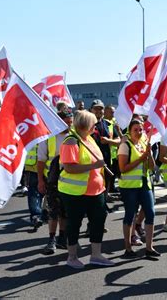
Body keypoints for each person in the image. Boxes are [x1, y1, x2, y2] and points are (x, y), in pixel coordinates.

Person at [58, 110, 114, 269]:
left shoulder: (88, 139)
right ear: (85, 124)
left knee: (98, 222)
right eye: (93, 124)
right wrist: (93, 166)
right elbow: (69, 168)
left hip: (96, 191)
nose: (96, 127)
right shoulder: (71, 141)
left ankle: (96, 255)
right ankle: (72, 257)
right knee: (74, 224)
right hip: (75, 193)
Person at [118, 119, 160, 258]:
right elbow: (123, 169)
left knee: (151, 213)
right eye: (135, 129)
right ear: (129, 131)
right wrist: (141, 158)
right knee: (130, 215)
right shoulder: (125, 146)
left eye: (141, 129)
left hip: (145, 184)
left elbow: (150, 166)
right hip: (129, 187)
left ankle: (149, 247)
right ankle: (128, 248)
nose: (139, 132)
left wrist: (149, 156)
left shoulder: (143, 143)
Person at [38, 110, 73, 254]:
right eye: (67, 122)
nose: (70, 125)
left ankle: (62, 238)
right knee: (53, 211)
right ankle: (51, 240)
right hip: (52, 181)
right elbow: (40, 161)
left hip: (71, 181)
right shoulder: (48, 137)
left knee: (65, 212)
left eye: (71, 122)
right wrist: (40, 181)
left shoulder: (74, 136)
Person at [90, 99, 120, 206]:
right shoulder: (86, 124)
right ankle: (94, 206)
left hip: (106, 160)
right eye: (96, 109)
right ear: (91, 110)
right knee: (93, 184)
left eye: (101, 109)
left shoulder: (108, 124)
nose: (98, 111)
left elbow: (118, 141)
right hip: (91, 161)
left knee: (106, 183)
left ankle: (103, 204)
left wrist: (109, 141)